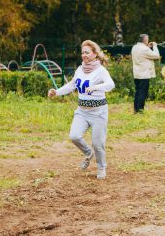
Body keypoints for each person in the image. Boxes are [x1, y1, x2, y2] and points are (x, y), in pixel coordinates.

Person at [48, 40, 115, 180]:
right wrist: (57, 92)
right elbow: (72, 85)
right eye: (82, 52)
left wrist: (97, 87)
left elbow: (110, 84)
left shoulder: (101, 70)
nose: (84, 55)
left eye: (87, 52)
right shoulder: (80, 69)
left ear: (95, 54)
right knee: (74, 136)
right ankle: (88, 153)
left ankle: (101, 167)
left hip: (98, 112)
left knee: (98, 144)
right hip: (82, 112)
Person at [131, 34, 161, 114]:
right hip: (144, 74)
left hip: (136, 74)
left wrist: (147, 47)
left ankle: (136, 109)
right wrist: (155, 46)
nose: (148, 40)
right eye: (147, 39)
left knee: (137, 91)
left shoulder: (134, 47)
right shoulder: (144, 49)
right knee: (143, 93)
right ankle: (140, 110)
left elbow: (143, 54)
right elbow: (157, 56)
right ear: (144, 40)